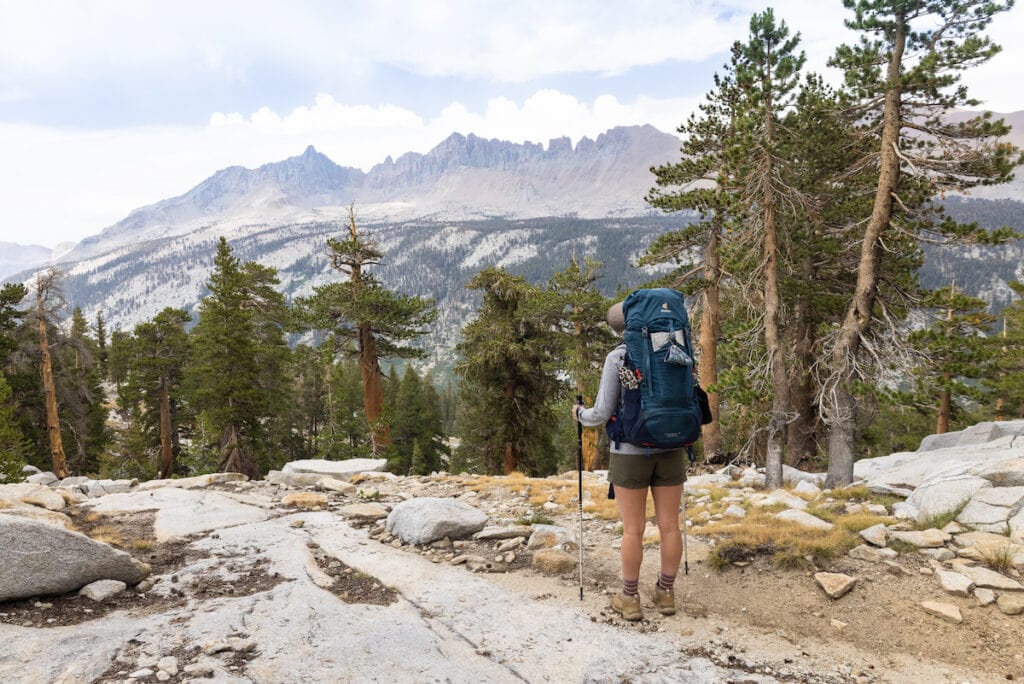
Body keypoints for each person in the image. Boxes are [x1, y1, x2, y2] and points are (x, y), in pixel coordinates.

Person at [572, 301, 686, 621]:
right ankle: (665, 593)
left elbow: (602, 413)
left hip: (630, 452)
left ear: (617, 329)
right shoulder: (674, 345)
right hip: (672, 446)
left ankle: (630, 597)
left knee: (633, 530)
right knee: (669, 526)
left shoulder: (618, 357)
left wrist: (580, 415)